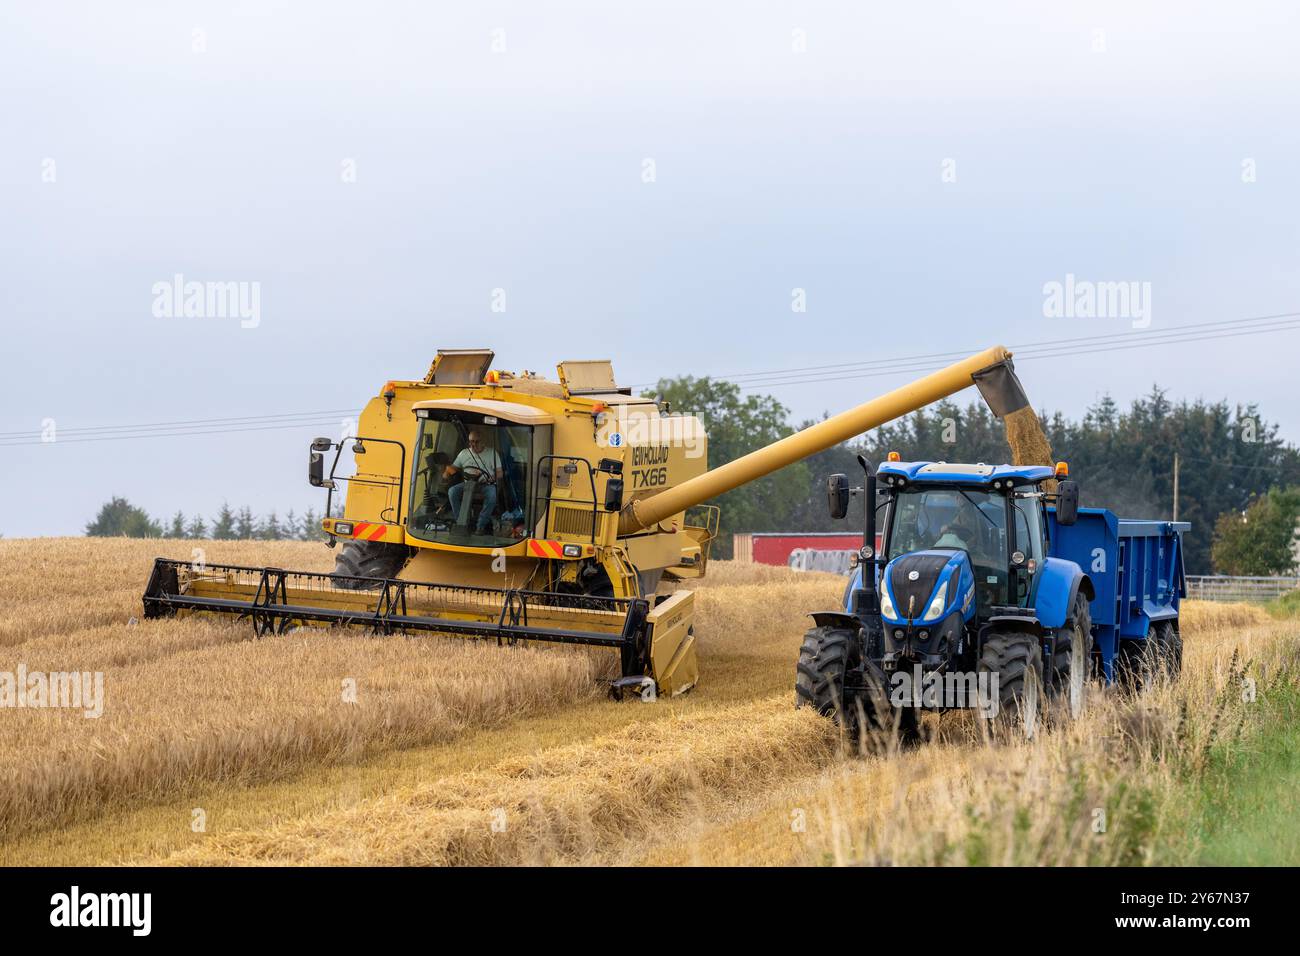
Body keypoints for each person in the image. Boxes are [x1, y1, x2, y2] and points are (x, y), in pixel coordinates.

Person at [444, 427, 504, 534]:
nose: (473, 444)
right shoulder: (464, 453)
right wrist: (447, 472)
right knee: (452, 491)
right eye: (471, 441)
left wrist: (491, 478)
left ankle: (480, 525)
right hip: (468, 483)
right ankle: (460, 522)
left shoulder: (492, 453)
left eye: (476, 441)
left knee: (492, 496)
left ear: (483, 442)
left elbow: (499, 473)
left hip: (485, 484)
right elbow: (453, 467)